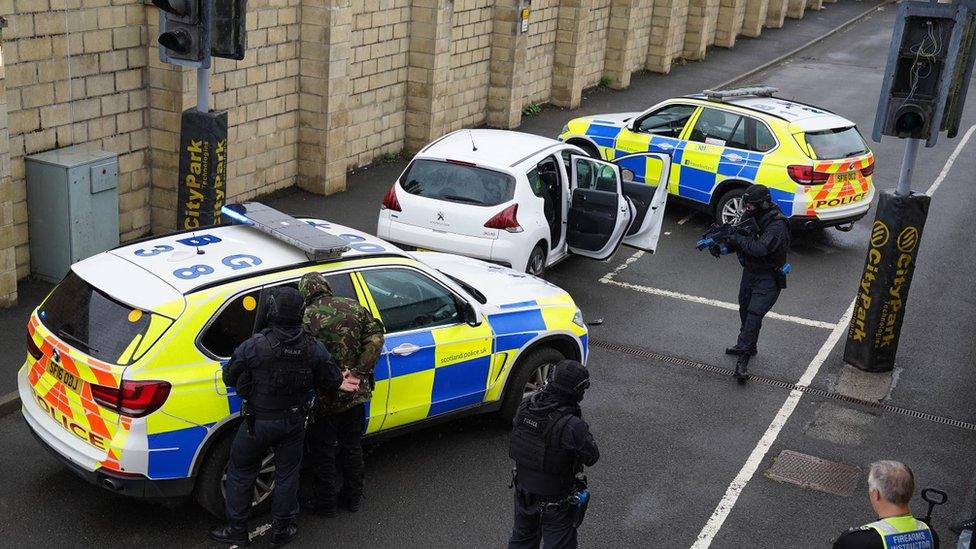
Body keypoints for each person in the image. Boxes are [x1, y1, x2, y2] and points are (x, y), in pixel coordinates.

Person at [210, 286, 357, 548]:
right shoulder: (314, 347)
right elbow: (332, 379)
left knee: (241, 472)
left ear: (272, 311)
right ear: (300, 313)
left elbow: (229, 376)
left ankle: (236, 530)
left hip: (257, 422)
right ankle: (283, 530)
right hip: (293, 422)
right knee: (288, 474)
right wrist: (340, 380)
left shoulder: (254, 345)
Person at [299, 272, 385, 517]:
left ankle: (325, 505)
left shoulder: (304, 317)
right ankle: (353, 498)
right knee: (352, 446)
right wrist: (358, 372)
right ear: (326, 286)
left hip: (324, 398)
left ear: (305, 292)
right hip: (355, 394)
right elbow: (376, 338)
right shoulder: (354, 306)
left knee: (323, 451)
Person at [508, 360, 600, 549]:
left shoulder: (527, 407)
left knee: (522, 540)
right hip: (555, 502)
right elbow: (592, 456)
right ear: (578, 391)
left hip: (524, 491)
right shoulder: (572, 425)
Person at [724, 184, 790, 381]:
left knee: (754, 315)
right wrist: (723, 247)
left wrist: (736, 239)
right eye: (747, 204)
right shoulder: (749, 216)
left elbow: (760, 249)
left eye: (751, 205)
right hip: (750, 273)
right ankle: (748, 346)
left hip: (768, 277)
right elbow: (740, 240)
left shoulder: (777, 225)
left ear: (763, 203)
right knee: (745, 310)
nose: (747, 209)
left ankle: (742, 362)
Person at [833, 460, 939, 548]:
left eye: (870, 486)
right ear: (910, 492)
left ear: (875, 494)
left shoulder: (856, 540)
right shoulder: (930, 535)